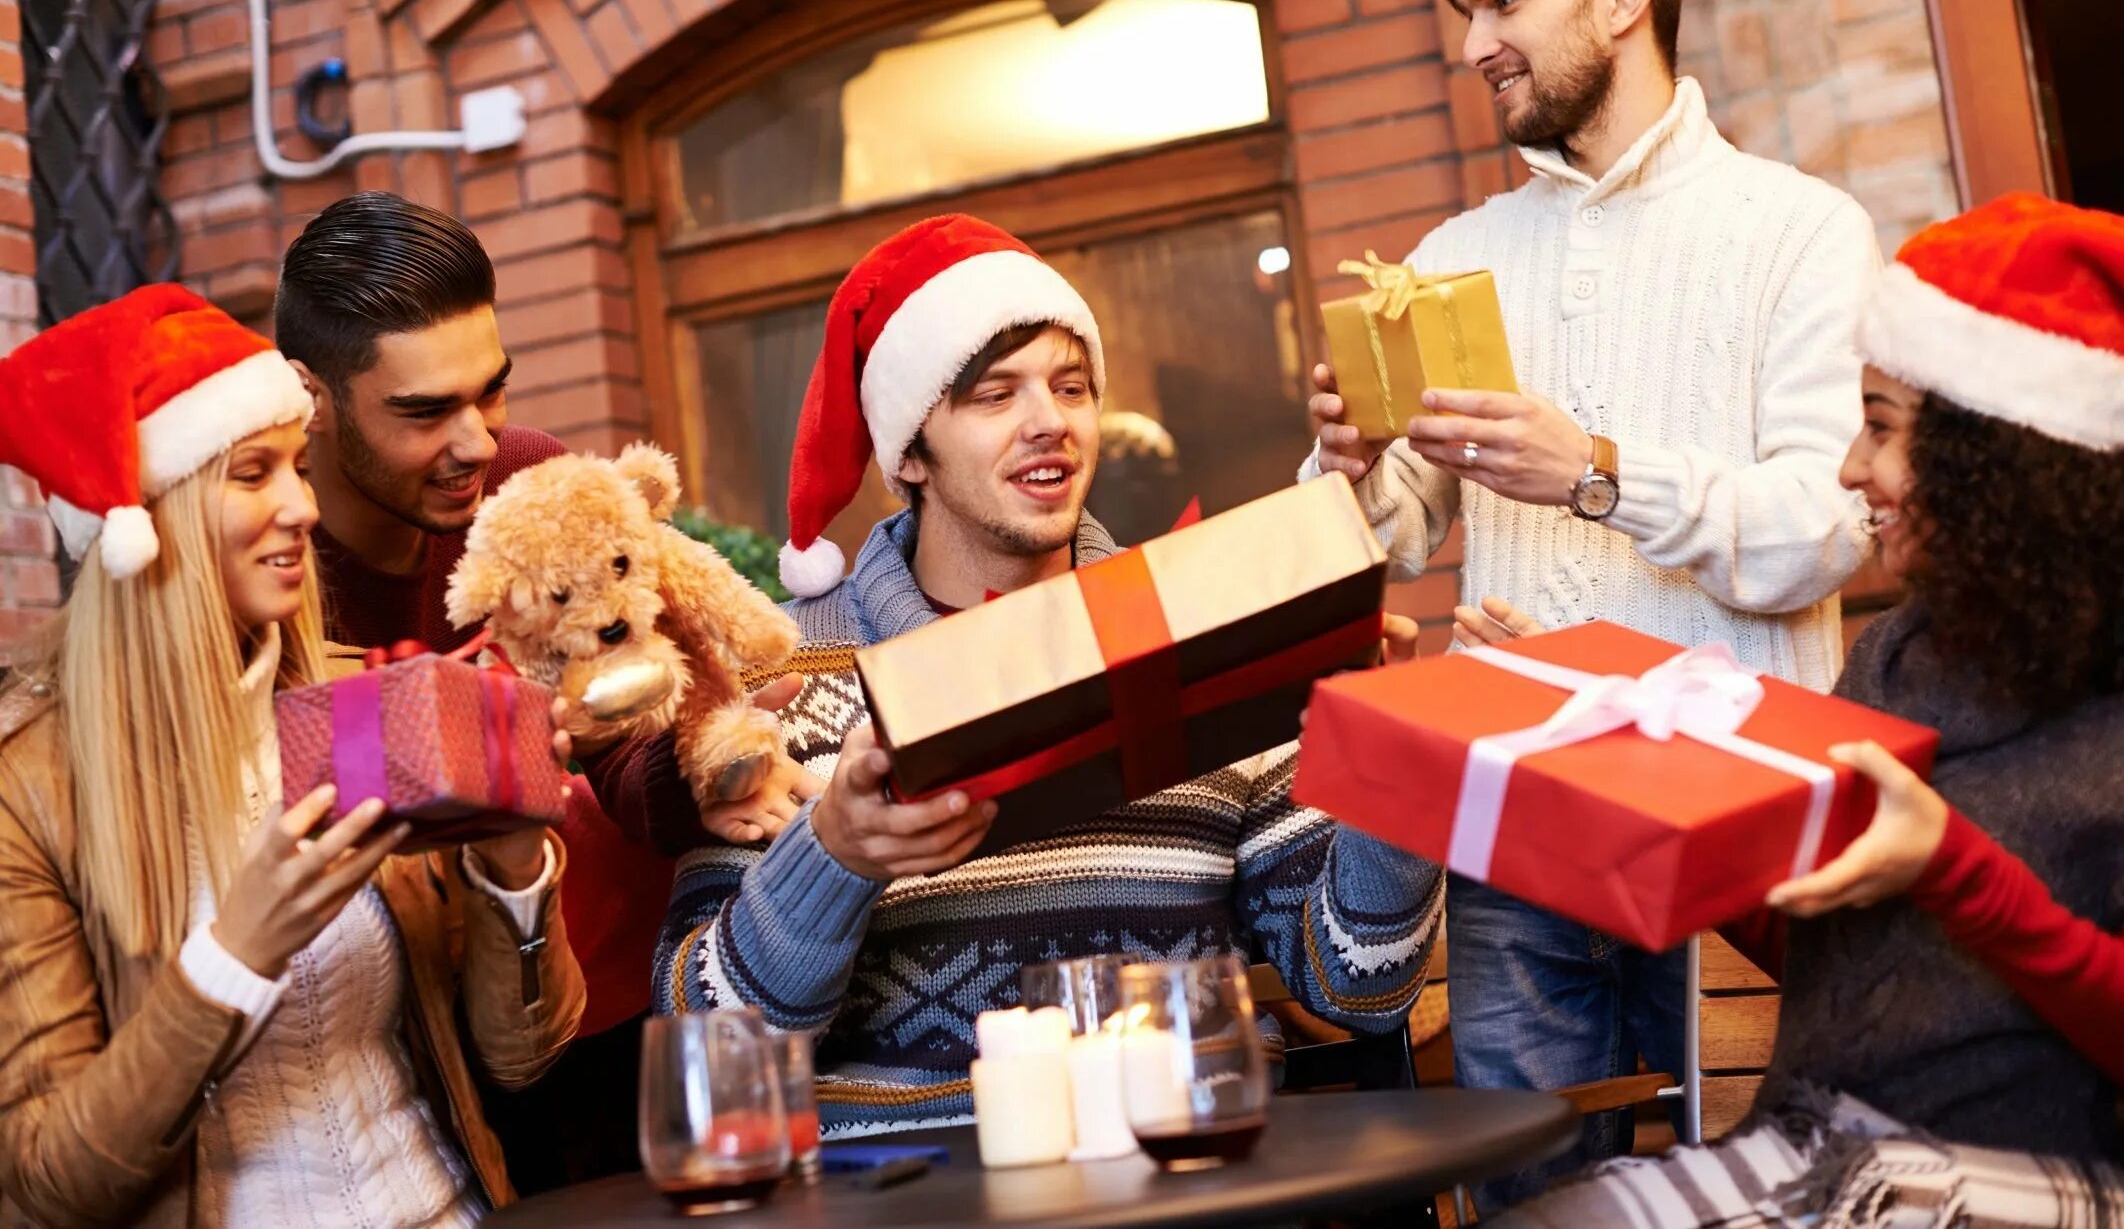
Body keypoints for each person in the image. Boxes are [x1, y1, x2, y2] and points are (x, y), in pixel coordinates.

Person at [1303, 0, 1876, 1199]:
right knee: (1532, 1195)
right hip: (1524, 827)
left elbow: (1831, 524)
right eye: (1466, 9)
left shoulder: (1800, 231)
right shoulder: (1452, 258)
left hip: (1757, 833)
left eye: (1503, 1)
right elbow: (1382, 543)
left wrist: (1597, 472)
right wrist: (1346, 464)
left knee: (1781, 1190)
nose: (1472, 43)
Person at [652, 214, 1444, 1134]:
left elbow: (1361, 983)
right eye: (996, 396)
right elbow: (706, 1036)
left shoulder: (1201, 628)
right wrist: (835, 853)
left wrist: (1393, 764)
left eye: (1072, 388)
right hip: (910, 1197)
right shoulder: (780, 681)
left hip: (1191, 1181)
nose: (1049, 424)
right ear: (908, 450)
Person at [1467, 194, 2124, 1226]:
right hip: (1824, 1143)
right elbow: (1841, 955)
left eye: (1884, 428)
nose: (1854, 469)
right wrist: (1606, 754)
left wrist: (1955, 867)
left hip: (2028, 1176)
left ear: (2002, 464)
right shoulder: (1895, 658)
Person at [0, 286, 582, 1226]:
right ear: (147, 520)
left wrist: (513, 862)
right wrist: (235, 955)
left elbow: (521, 1057)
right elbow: (43, 1186)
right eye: (250, 473)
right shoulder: (28, 790)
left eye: (298, 469)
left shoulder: (358, 705)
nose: (301, 508)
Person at [270, 192, 810, 1190]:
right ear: (311, 397)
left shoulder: (528, 487)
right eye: (426, 411)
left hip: (618, 1008)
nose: (475, 440)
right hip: (413, 1055)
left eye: (492, 390)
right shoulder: (274, 570)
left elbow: (628, 759)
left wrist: (706, 772)